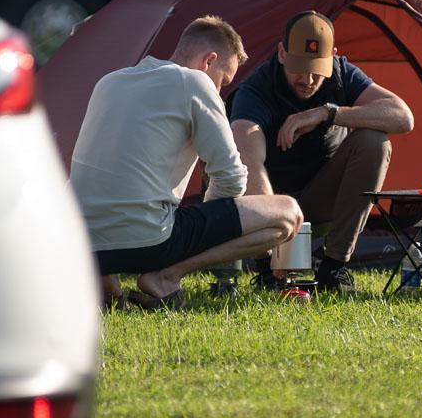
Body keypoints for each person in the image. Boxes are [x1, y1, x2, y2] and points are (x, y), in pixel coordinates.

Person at [70, 16, 303, 307]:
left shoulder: (109, 81)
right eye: (224, 80)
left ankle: (108, 288)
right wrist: (208, 231)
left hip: (83, 243)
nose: (220, 91)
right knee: (288, 213)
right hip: (148, 242)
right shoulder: (194, 82)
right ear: (209, 61)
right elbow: (231, 177)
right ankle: (166, 276)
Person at [230, 10, 414, 294]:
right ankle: (267, 271)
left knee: (373, 142)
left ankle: (333, 268)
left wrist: (328, 113)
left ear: (333, 57)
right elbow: (248, 159)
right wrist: (277, 229)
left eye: (317, 70)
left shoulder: (342, 75)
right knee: (230, 158)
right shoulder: (257, 88)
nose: (307, 79)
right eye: (298, 68)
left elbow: (403, 117)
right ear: (281, 53)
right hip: (273, 201)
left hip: (322, 196)